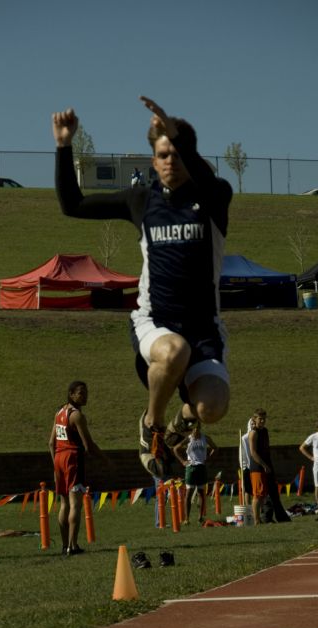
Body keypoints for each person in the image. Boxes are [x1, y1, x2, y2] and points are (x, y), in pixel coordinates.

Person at [52, 96, 233, 480]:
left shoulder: (215, 197)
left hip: (204, 329)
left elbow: (202, 172)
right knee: (174, 350)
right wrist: (64, 146)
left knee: (212, 409)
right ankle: (151, 424)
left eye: (176, 153)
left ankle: (179, 425)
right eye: (162, 154)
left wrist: (175, 132)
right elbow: (72, 204)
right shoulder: (142, 201)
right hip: (155, 322)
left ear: (190, 156)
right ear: (153, 160)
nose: (170, 161)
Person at [48, 381, 105, 556]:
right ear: (71, 394)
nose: (85, 395)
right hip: (73, 459)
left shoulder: (59, 412)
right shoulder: (76, 416)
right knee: (75, 504)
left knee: (64, 504)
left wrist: (55, 463)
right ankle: (73, 546)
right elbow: (88, 445)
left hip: (58, 457)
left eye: (86, 392)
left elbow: (51, 443)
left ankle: (64, 545)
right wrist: (104, 459)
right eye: (81, 393)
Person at [173, 422, 217, 524]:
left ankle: (200, 517)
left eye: (198, 428)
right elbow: (175, 449)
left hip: (201, 467)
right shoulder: (188, 439)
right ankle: (187, 519)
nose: (196, 430)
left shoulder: (205, 438)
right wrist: (183, 461)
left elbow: (215, 448)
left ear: (200, 428)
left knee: (201, 493)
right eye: (194, 428)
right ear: (191, 429)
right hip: (191, 467)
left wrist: (209, 459)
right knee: (189, 493)